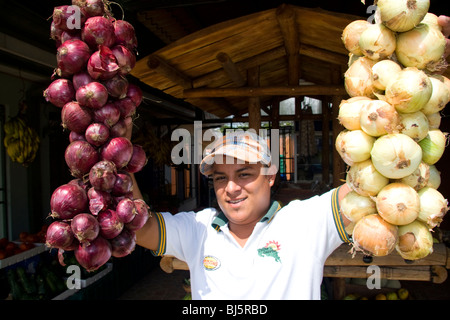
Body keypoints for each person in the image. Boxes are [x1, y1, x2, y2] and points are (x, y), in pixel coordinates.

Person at [128, 15, 450, 300]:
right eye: (220, 177)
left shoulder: (304, 222)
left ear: (270, 175)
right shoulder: (197, 228)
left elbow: (371, 184)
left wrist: (413, 58)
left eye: (244, 174)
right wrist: (122, 160)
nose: (231, 188)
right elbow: (139, 229)